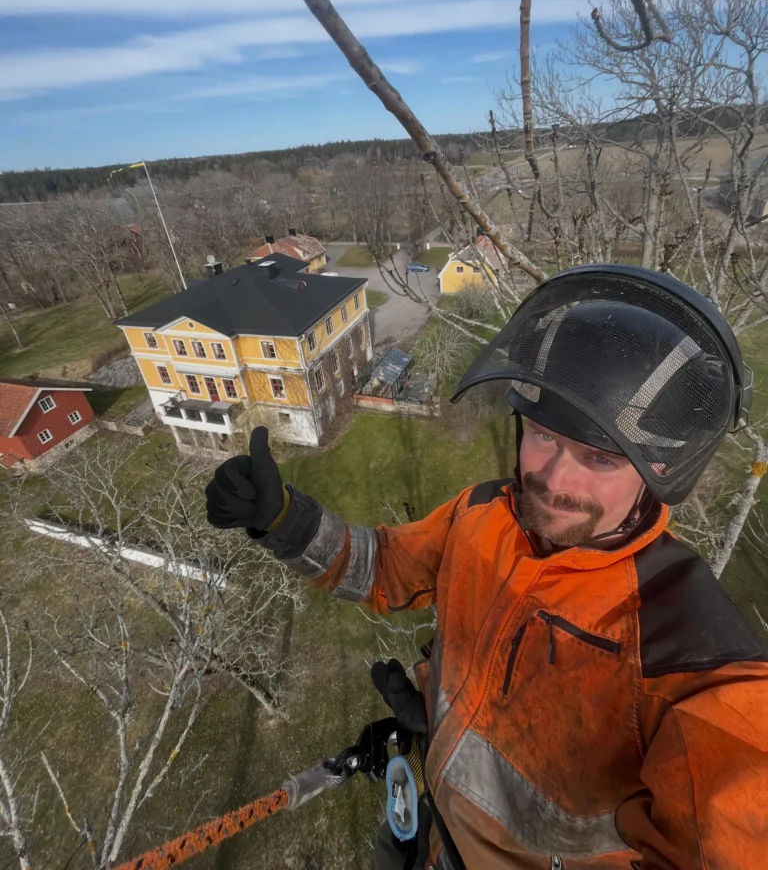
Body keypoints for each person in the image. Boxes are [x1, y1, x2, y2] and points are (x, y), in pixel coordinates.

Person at [206, 264, 768, 870]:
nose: (553, 480)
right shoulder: (484, 514)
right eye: (544, 436)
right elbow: (383, 567)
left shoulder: (687, 650)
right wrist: (285, 521)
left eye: (599, 457)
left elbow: (736, 815)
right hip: (437, 834)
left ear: (661, 470)